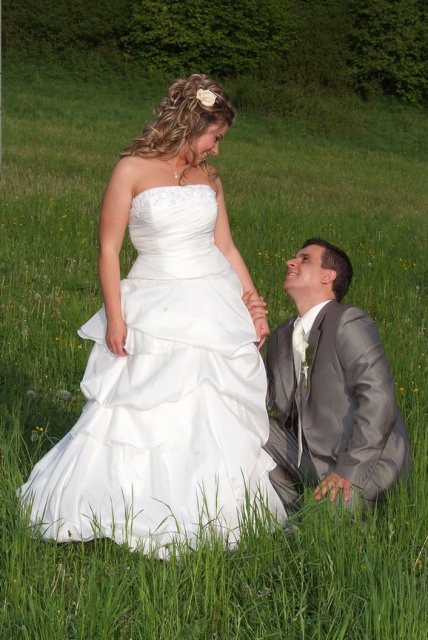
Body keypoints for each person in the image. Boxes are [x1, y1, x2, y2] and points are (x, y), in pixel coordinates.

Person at [18, 74, 286, 556]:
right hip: (153, 301)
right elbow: (108, 249)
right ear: (191, 125)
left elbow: (225, 246)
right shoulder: (131, 170)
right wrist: (115, 317)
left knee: (209, 410)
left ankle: (207, 509)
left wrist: (253, 303)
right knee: (137, 409)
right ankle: (125, 503)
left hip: (212, 304)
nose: (217, 149)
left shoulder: (210, 179)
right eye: (215, 137)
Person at [246, 238, 411, 513]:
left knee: (331, 520)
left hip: (364, 461)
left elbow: (378, 399)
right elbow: (264, 401)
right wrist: (247, 347)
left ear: (328, 276)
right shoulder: (281, 337)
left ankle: (321, 512)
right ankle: (291, 515)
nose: (290, 262)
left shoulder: (348, 321)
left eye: (304, 259)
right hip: (310, 457)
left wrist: (348, 470)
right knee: (245, 428)